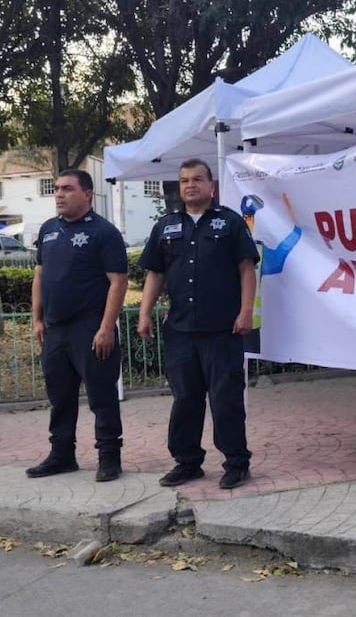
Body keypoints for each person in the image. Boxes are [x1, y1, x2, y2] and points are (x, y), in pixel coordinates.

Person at [138, 158, 259, 490]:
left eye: (197, 179)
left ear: (211, 186)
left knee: (225, 399)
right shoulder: (165, 226)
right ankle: (187, 462)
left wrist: (246, 310)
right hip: (180, 331)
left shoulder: (230, 223)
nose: (190, 185)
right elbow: (155, 273)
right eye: (184, 180)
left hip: (222, 330)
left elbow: (246, 269)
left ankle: (236, 462)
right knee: (185, 399)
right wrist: (144, 312)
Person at [28, 169, 129, 482]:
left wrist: (106, 327)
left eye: (67, 189)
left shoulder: (104, 232)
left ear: (87, 194)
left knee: (102, 396)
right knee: (60, 396)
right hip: (55, 329)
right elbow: (40, 276)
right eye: (57, 189)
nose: (59, 194)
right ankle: (61, 455)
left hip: (90, 327)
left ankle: (109, 457)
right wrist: (37, 319)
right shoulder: (48, 230)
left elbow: (118, 281)